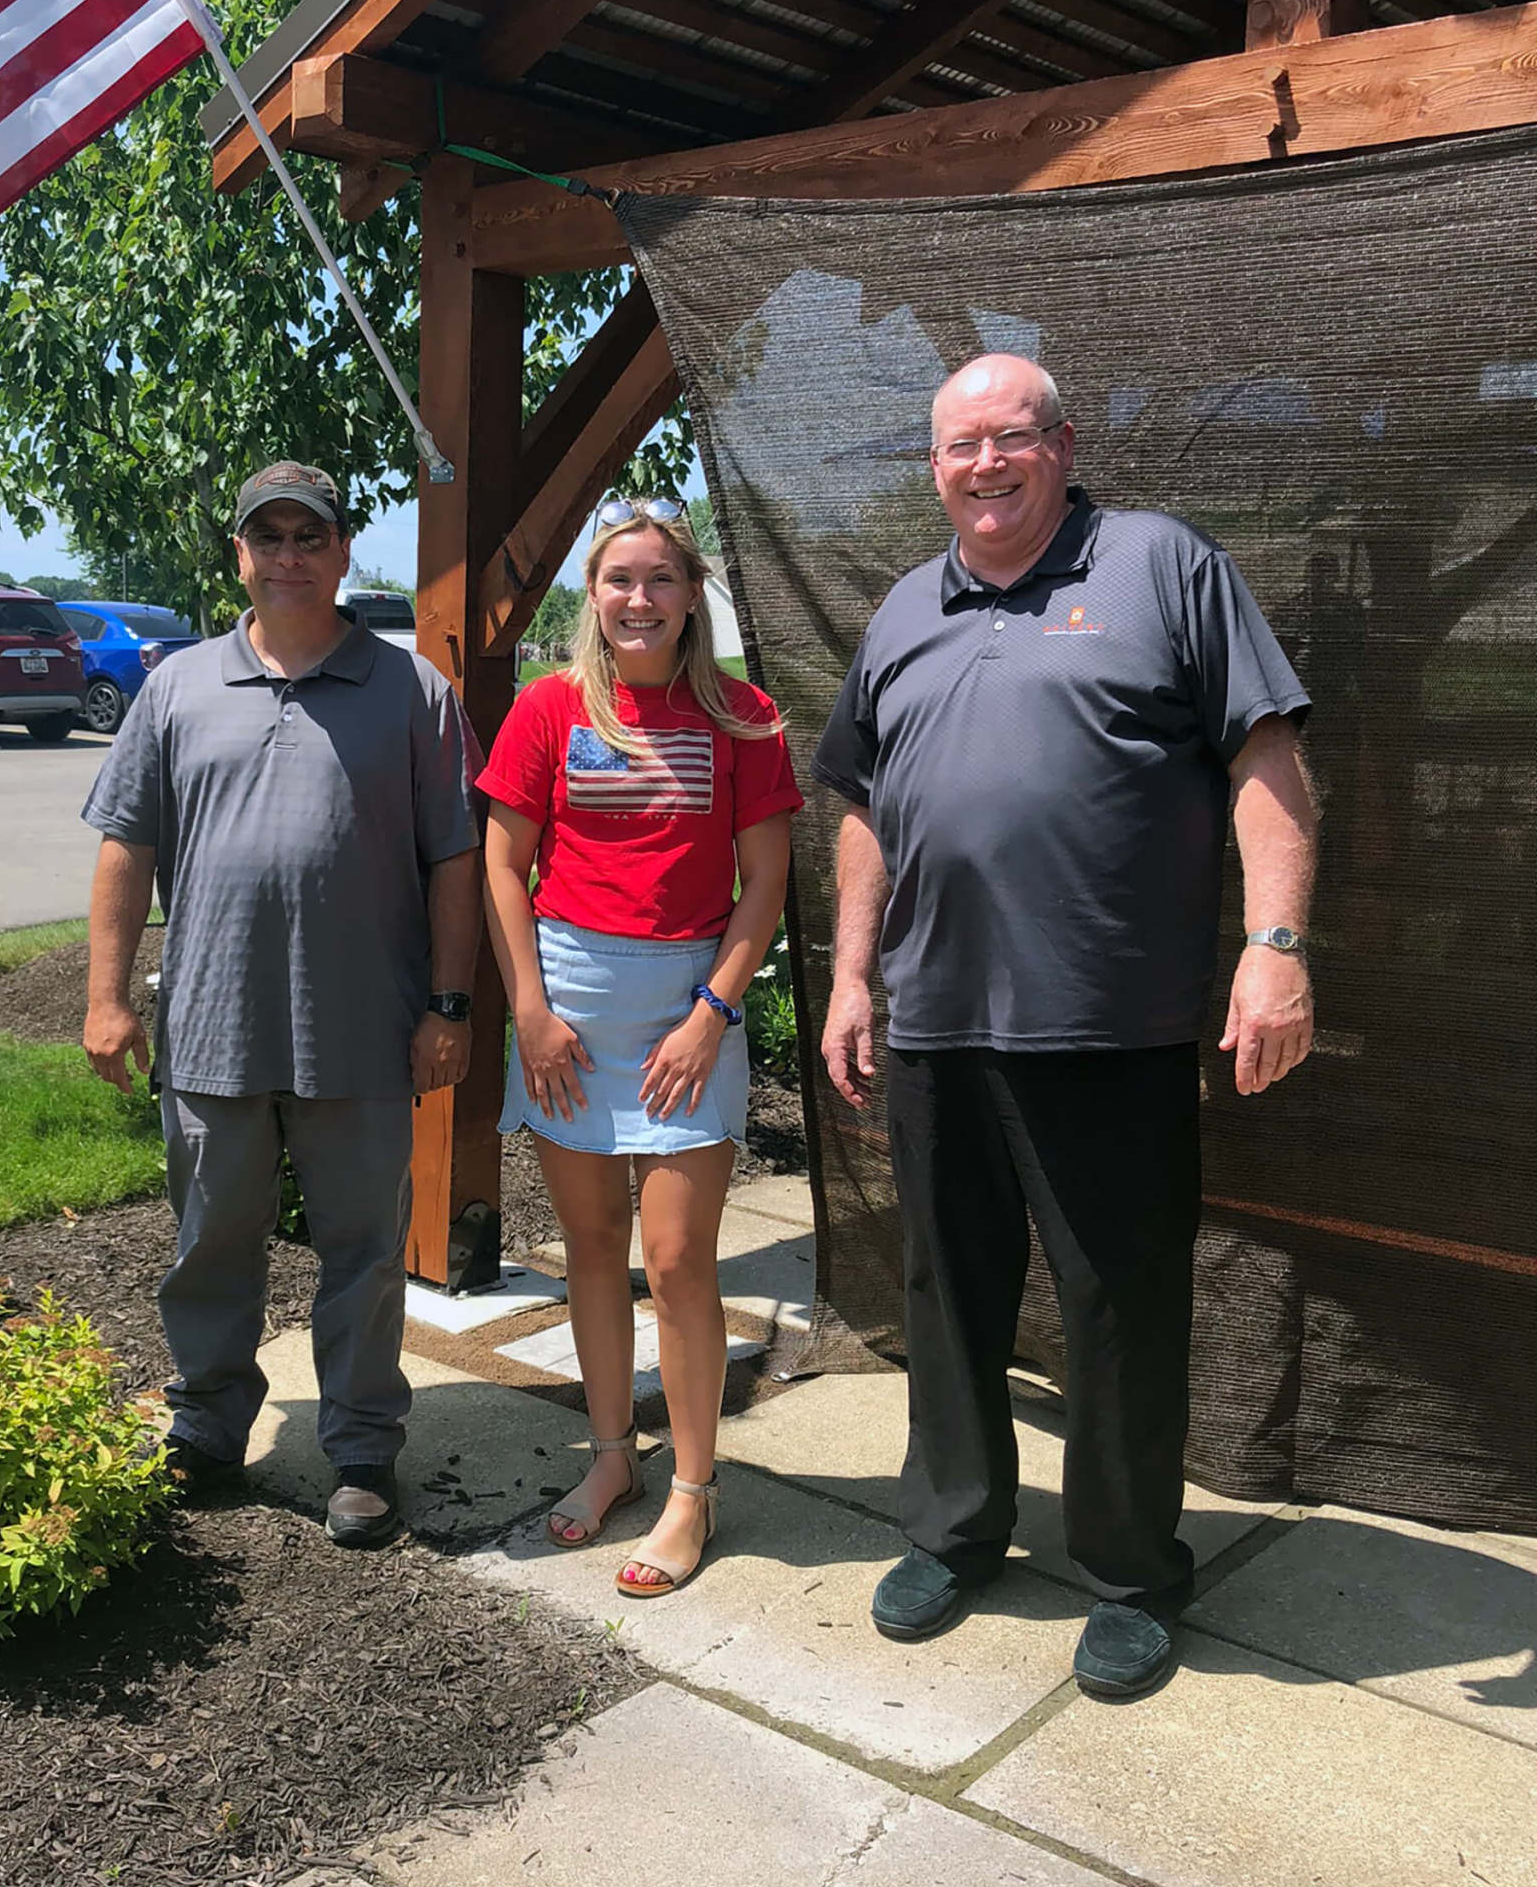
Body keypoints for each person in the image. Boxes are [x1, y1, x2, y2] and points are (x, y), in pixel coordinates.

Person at [815, 356, 1317, 1698]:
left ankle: (1131, 1569)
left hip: (1110, 1028)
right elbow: (861, 804)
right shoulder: (906, 610)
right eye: (960, 446)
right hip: (930, 1025)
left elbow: (1267, 759)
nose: (987, 464)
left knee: (1117, 1307)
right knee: (945, 1293)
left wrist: (1273, 950)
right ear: (933, 470)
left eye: (1011, 439)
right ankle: (955, 1528)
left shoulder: (1162, 567)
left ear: (1062, 444)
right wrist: (853, 976)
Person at [80, 460, 483, 1549]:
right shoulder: (176, 688)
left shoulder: (413, 694)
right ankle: (208, 1420)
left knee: (364, 1248)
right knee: (212, 1238)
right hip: (211, 1024)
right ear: (241, 556)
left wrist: (451, 1003)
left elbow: (456, 858)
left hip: (363, 1026)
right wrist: (107, 997)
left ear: (346, 553)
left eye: (313, 535)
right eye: (271, 537)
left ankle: (359, 1444)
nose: (291, 555)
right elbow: (128, 844)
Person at [480, 498, 802, 1597]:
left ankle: (694, 1492)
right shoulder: (550, 707)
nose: (638, 598)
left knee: (677, 1263)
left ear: (690, 595)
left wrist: (711, 1013)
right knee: (589, 1242)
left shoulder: (744, 716)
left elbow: (764, 884)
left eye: (660, 577)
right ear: (593, 594)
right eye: (619, 578)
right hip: (568, 1011)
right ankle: (612, 1456)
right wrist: (529, 1008)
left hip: (687, 1012)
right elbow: (501, 865)